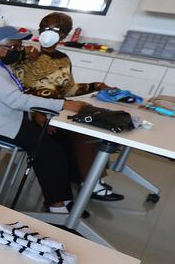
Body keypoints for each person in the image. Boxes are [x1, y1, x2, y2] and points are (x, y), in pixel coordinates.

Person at [0, 26, 89, 214]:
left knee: (61, 139)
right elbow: (16, 100)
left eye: (21, 46)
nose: (20, 50)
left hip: (10, 116)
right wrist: (62, 105)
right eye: (15, 47)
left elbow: (17, 94)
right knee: (48, 147)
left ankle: (65, 196)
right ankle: (56, 204)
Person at [12, 12, 123, 201]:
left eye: (56, 30)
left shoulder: (63, 59)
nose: (49, 33)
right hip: (35, 111)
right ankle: (89, 184)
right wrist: (22, 53)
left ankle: (89, 180)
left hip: (59, 107)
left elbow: (68, 89)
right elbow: (19, 88)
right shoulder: (27, 55)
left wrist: (96, 86)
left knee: (92, 126)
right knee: (80, 132)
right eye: (45, 28)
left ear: (64, 35)